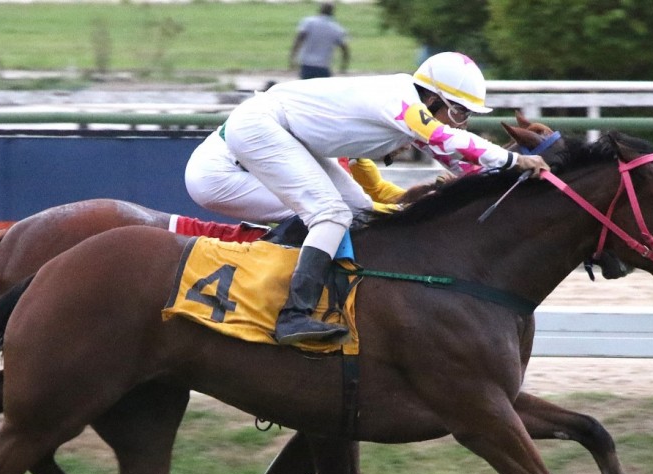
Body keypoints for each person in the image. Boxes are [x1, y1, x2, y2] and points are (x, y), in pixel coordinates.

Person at [185, 51, 550, 345]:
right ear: (433, 98)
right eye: (458, 111)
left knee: (359, 209)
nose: (460, 123)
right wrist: (515, 159)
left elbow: (465, 167)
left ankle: (343, 298)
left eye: (466, 116)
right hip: (260, 126)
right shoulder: (403, 104)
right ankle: (293, 314)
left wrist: (516, 178)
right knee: (330, 214)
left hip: (283, 131)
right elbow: (448, 141)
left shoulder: (415, 113)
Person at [288, 1, 349, 79]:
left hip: (307, 64)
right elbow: (344, 49)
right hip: (323, 66)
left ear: (320, 10)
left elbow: (298, 40)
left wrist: (292, 57)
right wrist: (343, 66)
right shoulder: (336, 28)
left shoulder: (309, 22)